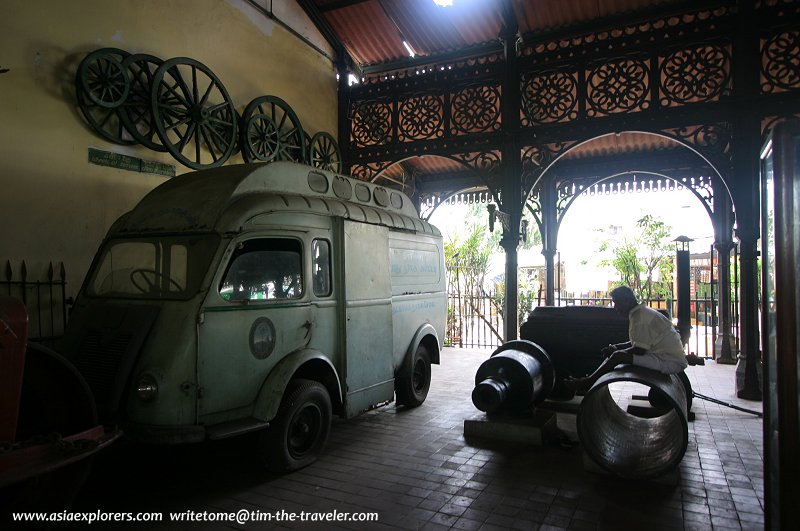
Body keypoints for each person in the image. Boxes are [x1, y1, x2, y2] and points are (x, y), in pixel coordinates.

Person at [564, 285, 689, 393]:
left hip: (669, 361)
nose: (615, 307)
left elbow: (639, 350)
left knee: (618, 356)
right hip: (665, 356)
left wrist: (617, 353)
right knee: (617, 353)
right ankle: (589, 380)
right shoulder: (641, 313)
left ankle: (587, 382)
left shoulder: (640, 318)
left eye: (617, 302)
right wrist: (617, 347)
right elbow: (641, 343)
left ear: (627, 301)